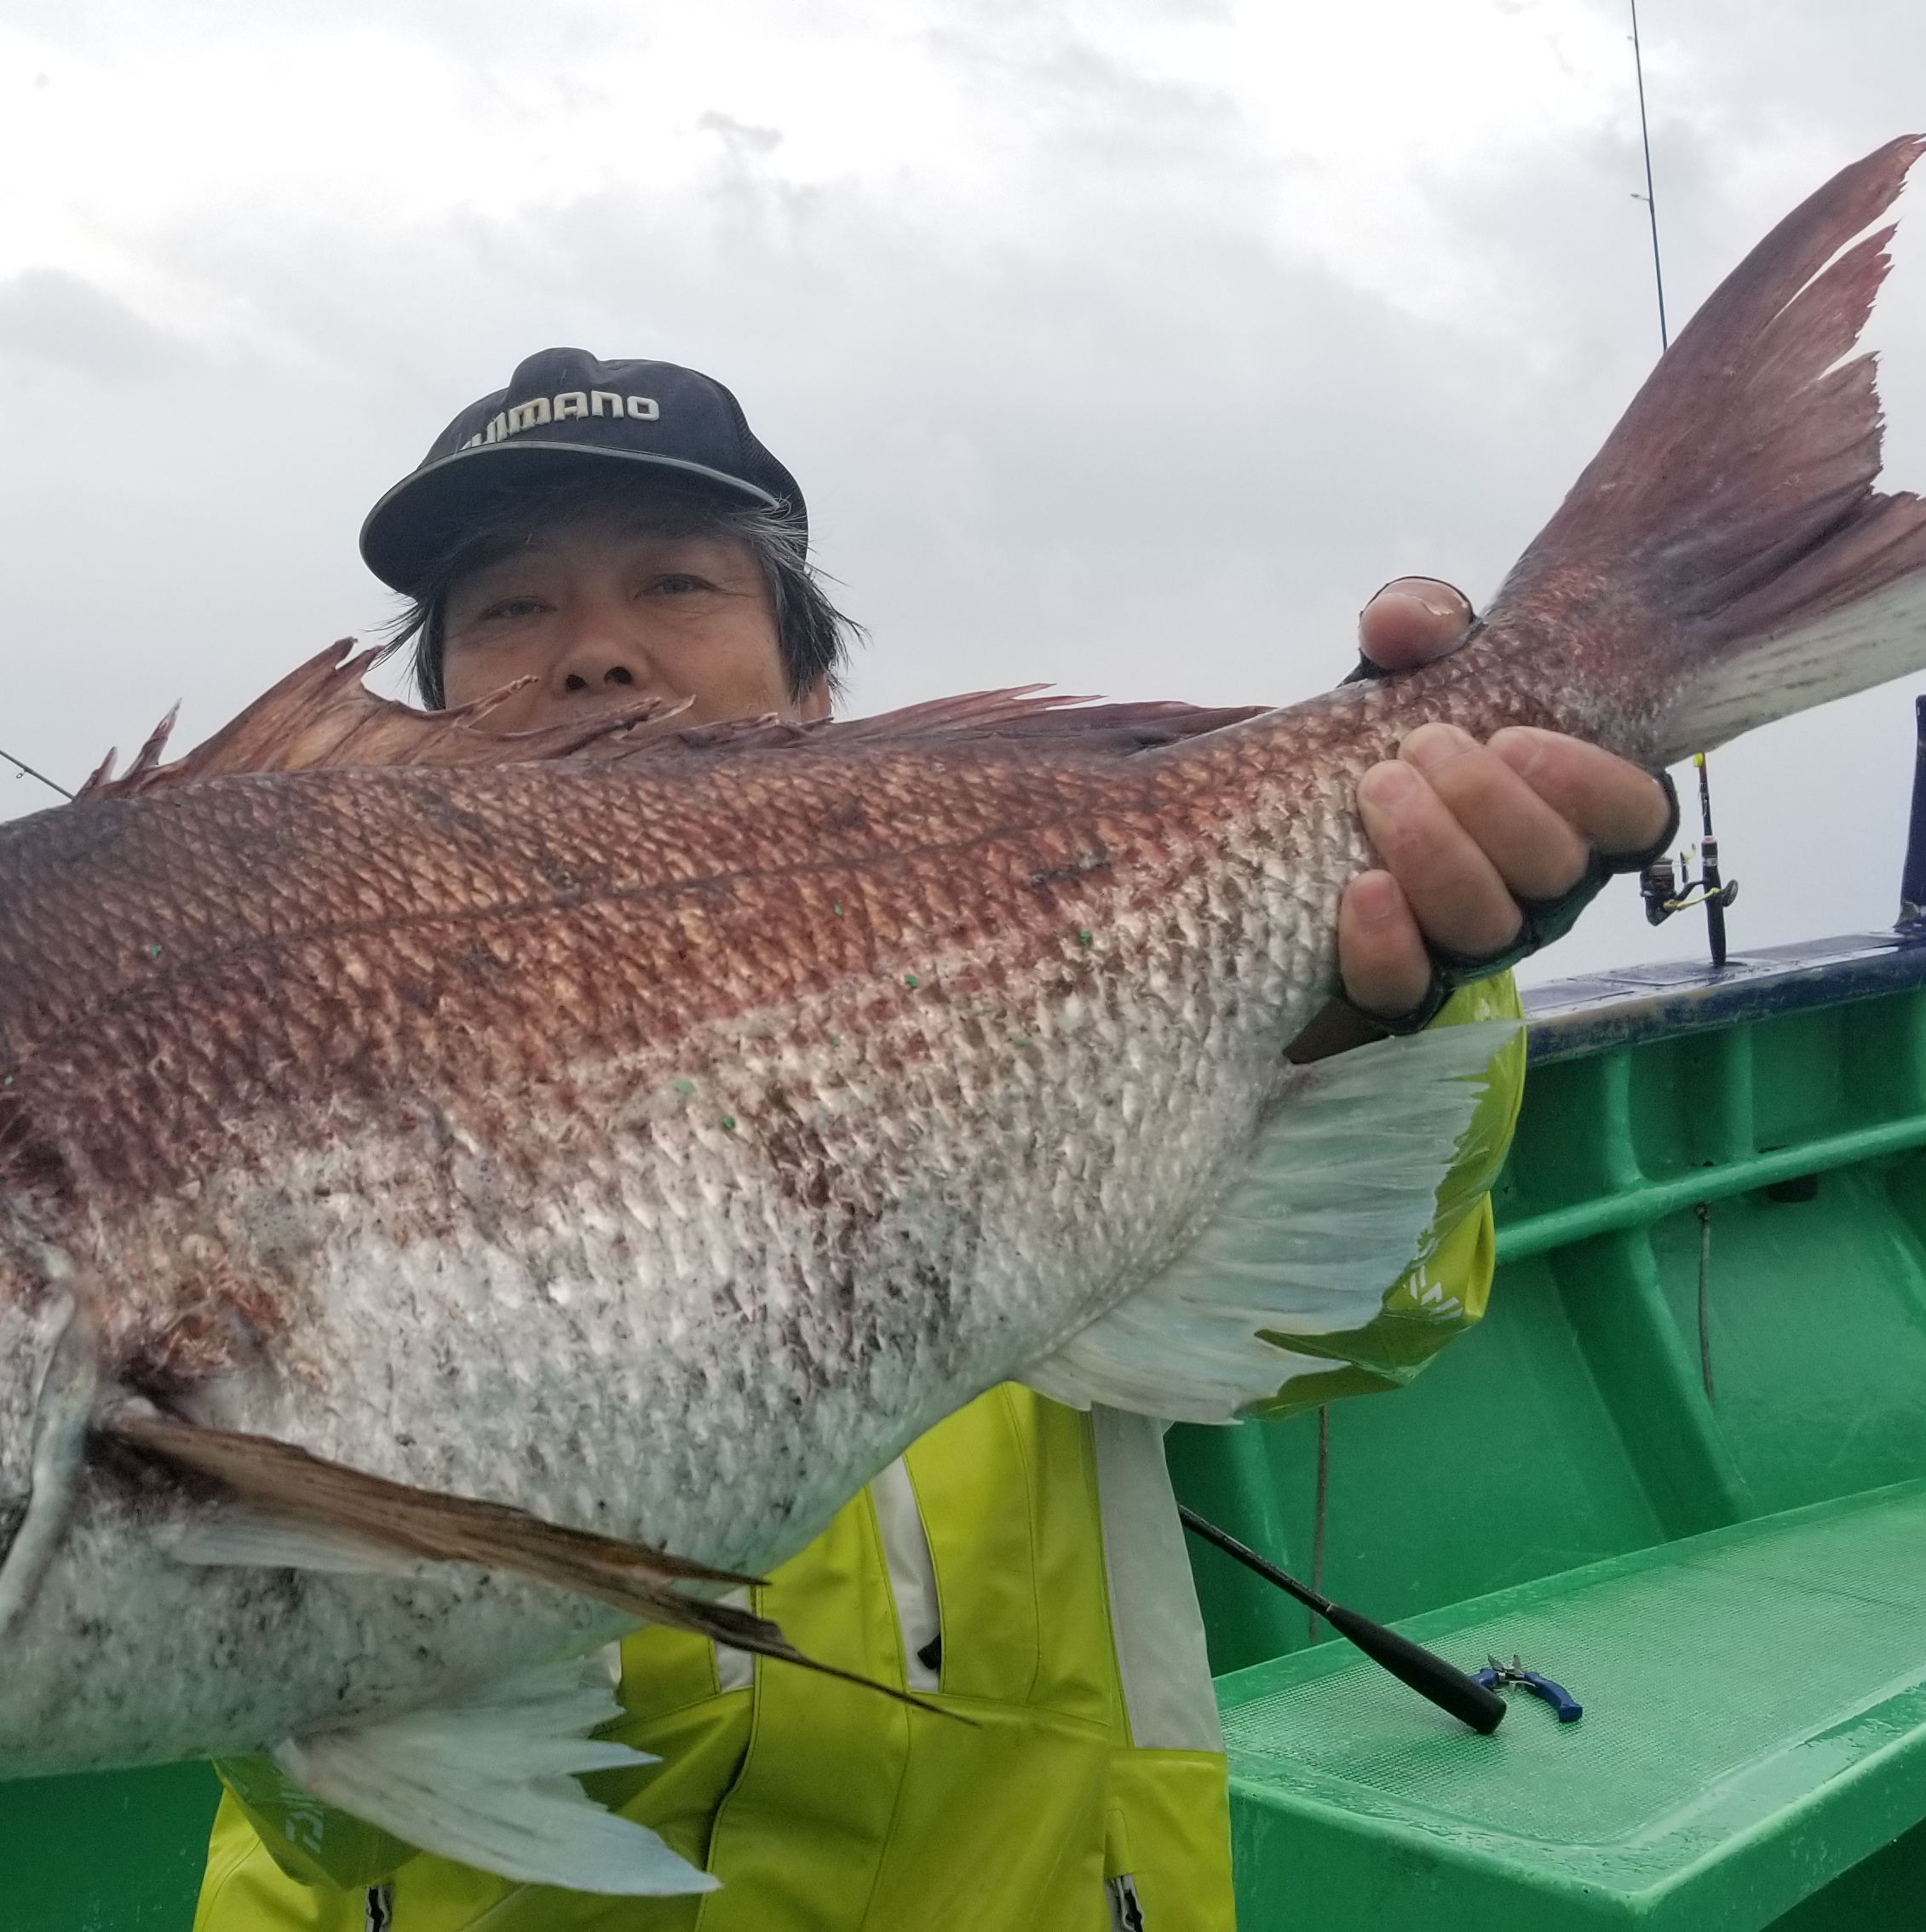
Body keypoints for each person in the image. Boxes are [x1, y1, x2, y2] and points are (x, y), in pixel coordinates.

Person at [191, 349, 1673, 1932]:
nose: (595, 655)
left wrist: (1399, 1011)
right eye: (508, 610)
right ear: (413, 752)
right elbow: (300, 1804)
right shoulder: (281, 1093)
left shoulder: (1039, 999)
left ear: (817, 696)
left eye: (675, 583)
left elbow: (1363, 1329)